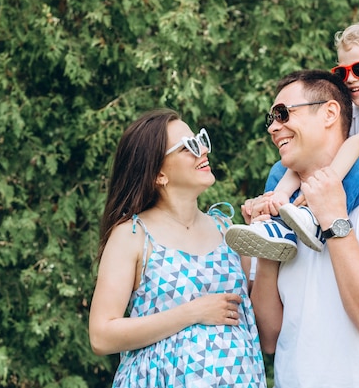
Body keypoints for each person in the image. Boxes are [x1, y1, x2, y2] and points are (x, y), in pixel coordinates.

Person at [249, 69, 359, 387]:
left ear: (329, 112)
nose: (274, 127)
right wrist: (265, 249)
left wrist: (333, 219)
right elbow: (267, 337)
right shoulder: (280, 202)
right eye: (271, 119)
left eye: (283, 114)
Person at [88, 109, 266, 387]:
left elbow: (260, 321)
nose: (203, 150)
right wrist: (192, 313)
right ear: (158, 174)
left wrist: (263, 243)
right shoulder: (133, 235)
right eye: (189, 147)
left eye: (201, 140)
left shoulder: (225, 229)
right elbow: (101, 335)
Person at [226, 19, 359, 261]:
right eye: (342, 72)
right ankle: (275, 225)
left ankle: (313, 216)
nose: (350, 78)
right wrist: (279, 195)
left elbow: (357, 145)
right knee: (286, 165)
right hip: (355, 181)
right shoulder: (352, 106)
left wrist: (315, 194)